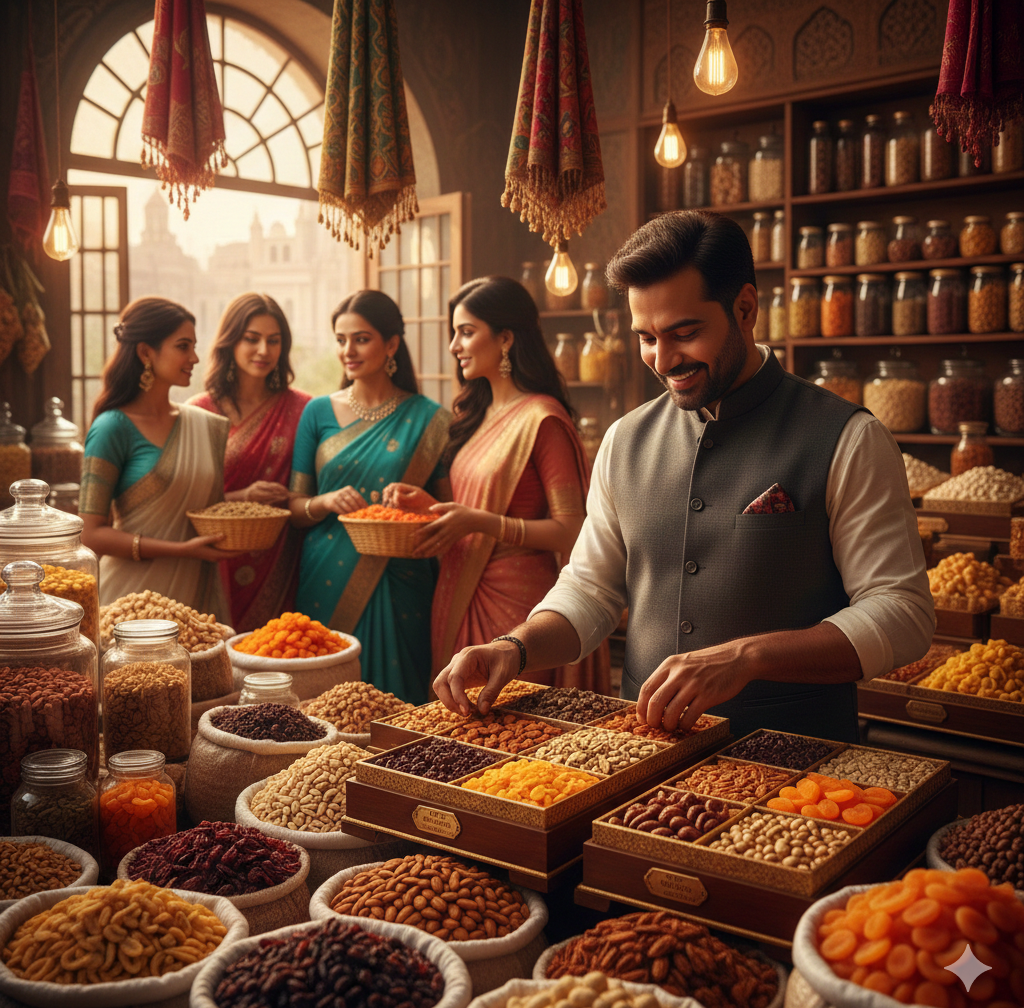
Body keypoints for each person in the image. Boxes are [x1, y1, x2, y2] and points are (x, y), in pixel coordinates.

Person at [431, 213, 934, 742]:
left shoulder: (849, 437)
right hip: (642, 756)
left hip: (803, 765)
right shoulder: (624, 441)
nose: (663, 359)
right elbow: (590, 589)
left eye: (684, 333)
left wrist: (747, 657)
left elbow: (903, 615)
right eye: (646, 337)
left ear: (745, 308)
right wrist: (516, 646)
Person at [388, 275, 610, 692]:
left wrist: (480, 522)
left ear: (506, 338)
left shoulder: (542, 419)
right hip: (459, 589)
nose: (454, 346)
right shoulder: (477, 414)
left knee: (510, 727)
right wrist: (429, 506)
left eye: (466, 332)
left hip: (515, 601)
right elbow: (474, 505)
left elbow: (572, 530)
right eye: (454, 333)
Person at [287, 290, 451, 703]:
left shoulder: (429, 419)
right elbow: (295, 507)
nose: (348, 351)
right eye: (341, 340)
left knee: (401, 700)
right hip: (327, 571)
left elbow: (446, 509)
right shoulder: (318, 413)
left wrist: (415, 500)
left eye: (361, 339)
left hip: (402, 576)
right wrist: (324, 502)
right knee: (326, 702)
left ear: (391, 344)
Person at [80, 296, 233, 617]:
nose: (194, 357)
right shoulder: (112, 427)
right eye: (182, 346)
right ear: (145, 352)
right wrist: (181, 551)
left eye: (194, 346)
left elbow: (189, 501)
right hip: (131, 602)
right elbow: (90, 532)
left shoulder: (200, 424)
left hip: (194, 602)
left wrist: (246, 498)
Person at [187, 293, 311, 632]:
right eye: (251, 339)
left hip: (283, 557)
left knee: (280, 649)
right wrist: (242, 498)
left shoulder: (304, 409)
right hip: (217, 557)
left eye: (274, 341)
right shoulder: (199, 412)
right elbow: (185, 502)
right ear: (230, 341)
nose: (263, 351)